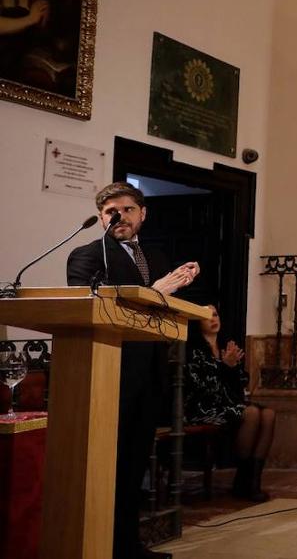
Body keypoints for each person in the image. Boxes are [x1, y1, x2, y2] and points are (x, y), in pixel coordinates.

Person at [66, 182, 200, 559]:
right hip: (110, 371)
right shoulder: (87, 256)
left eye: (127, 209)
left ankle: (127, 546)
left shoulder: (156, 256)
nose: (119, 217)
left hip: (151, 373)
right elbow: (90, 309)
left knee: (133, 466)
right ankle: (99, 546)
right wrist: (156, 291)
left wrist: (178, 286)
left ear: (143, 213)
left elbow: (166, 311)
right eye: (111, 212)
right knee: (107, 466)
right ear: (102, 219)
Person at [184, 304, 277, 502]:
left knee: (268, 414)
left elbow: (241, 383)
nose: (213, 319)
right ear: (197, 321)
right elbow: (203, 389)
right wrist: (224, 367)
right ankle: (242, 480)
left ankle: (251, 481)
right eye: (206, 316)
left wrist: (233, 368)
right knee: (251, 414)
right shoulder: (193, 350)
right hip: (202, 407)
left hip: (226, 403)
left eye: (215, 314)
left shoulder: (226, 346)